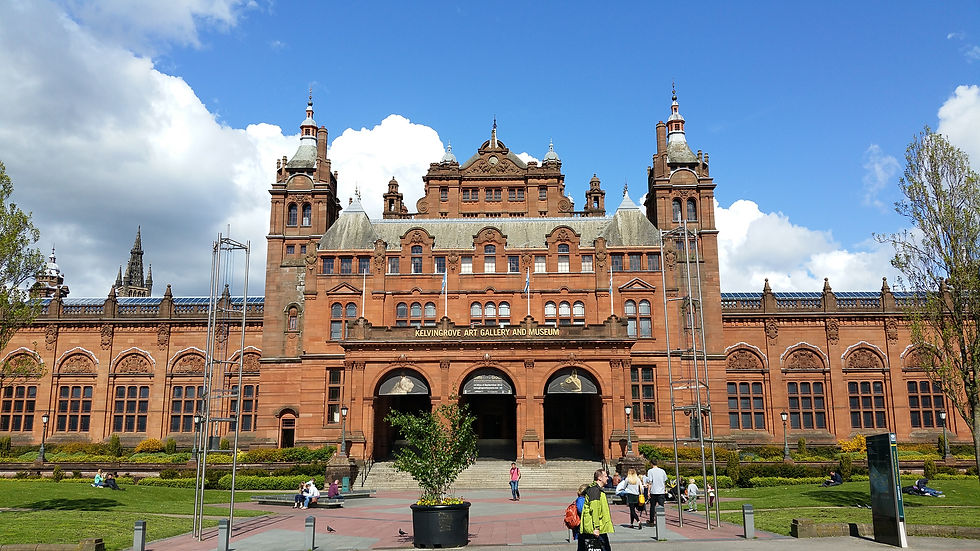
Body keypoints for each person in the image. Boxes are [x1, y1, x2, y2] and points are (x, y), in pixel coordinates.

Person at [579, 469, 614, 551]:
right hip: (594, 529)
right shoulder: (594, 490)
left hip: (598, 527)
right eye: (606, 476)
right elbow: (595, 510)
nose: (608, 478)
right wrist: (596, 528)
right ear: (599, 478)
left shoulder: (597, 490)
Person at [644, 459, 668, 524]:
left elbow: (650, 482)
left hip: (654, 491)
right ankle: (661, 520)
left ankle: (652, 521)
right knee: (661, 506)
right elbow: (664, 481)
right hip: (661, 491)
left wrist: (648, 492)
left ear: (651, 464)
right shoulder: (662, 471)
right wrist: (664, 489)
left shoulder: (650, 471)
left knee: (652, 507)